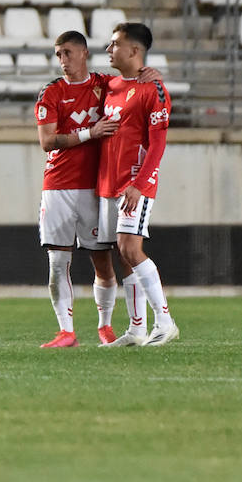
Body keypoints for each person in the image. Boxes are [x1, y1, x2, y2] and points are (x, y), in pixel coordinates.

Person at [33, 31, 121, 348]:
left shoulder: (106, 85)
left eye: (67, 53)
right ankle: (66, 331)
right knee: (58, 261)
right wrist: (90, 133)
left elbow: (136, 90)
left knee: (102, 260)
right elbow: (47, 141)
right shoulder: (51, 93)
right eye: (58, 54)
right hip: (58, 185)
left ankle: (105, 326)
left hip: (96, 186)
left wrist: (148, 76)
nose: (62, 60)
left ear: (84, 53)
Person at [99, 22, 178, 347]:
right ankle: (136, 329)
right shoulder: (111, 84)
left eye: (114, 43)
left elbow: (158, 144)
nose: (108, 49)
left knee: (131, 248)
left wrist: (139, 184)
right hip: (110, 183)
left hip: (135, 183)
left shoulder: (154, 89)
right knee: (123, 252)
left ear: (134, 50)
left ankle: (165, 321)